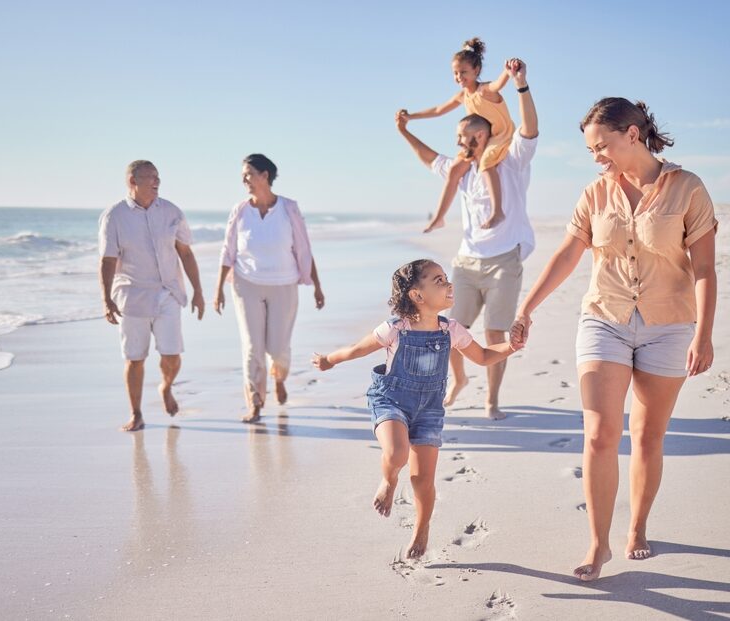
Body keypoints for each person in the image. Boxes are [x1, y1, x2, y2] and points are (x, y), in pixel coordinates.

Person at [510, 97, 717, 581]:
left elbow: (704, 268)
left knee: (647, 436)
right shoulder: (595, 193)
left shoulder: (687, 187)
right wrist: (526, 307)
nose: (596, 156)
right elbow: (568, 253)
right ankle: (598, 543)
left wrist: (704, 336)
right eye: (590, 150)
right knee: (601, 434)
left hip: (670, 324)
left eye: (601, 145)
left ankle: (638, 528)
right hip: (604, 317)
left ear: (631, 133)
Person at [312, 259, 521, 558]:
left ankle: (421, 529)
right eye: (438, 281)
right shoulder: (395, 328)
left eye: (447, 278)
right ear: (417, 296)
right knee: (397, 454)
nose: (449, 284)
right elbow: (357, 349)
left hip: (429, 411)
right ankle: (388, 479)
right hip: (391, 400)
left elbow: (485, 355)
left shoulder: (451, 330)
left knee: (423, 480)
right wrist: (329, 360)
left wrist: (512, 346)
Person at [396, 58, 538, 418]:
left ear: (480, 135)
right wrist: (405, 131)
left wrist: (521, 85)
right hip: (466, 263)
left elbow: (529, 129)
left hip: (505, 261)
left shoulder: (511, 161)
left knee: (495, 335)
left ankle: (492, 401)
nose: (457, 143)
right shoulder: (461, 169)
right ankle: (458, 381)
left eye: (461, 137)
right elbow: (428, 158)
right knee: (448, 330)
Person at [214, 154, 325, 423]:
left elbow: (303, 249)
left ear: (265, 176)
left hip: (284, 284)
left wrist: (317, 287)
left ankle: (279, 378)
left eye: (249, 173)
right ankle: (255, 402)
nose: (244, 179)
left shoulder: (289, 209)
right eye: (243, 175)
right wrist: (218, 289)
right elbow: (228, 251)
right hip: (245, 283)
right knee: (252, 347)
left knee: (278, 348)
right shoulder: (240, 210)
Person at [99, 160, 205, 432]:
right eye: (150, 178)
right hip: (132, 295)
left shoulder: (171, 212)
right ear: (132, 182)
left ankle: (166, 387)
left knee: (172, 355)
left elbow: (186, 253)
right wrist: (106, 299)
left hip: (168, 293)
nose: (157, 182)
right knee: (135, 358)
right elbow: (108, 260)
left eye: (158, 177)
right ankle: (136, 413)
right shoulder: (114, 216)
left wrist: (198, 292)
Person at [400, 38, 515, 230]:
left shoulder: (484, 90)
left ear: (476, 71)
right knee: (454, 170)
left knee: (486, 163)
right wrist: (410, 117)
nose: (459, 77)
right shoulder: (463, 96)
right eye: (455, 73)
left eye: (463, 72)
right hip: (477, 140)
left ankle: (497, 212)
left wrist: (508, 71)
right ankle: (439, 218)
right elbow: (438, 110)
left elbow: (498, 85)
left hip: (499, 136)